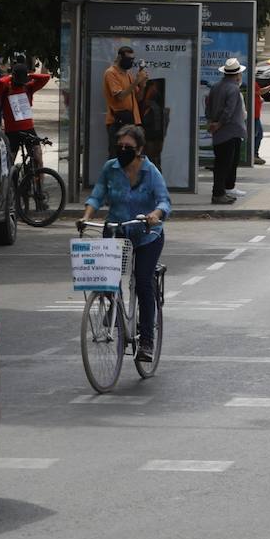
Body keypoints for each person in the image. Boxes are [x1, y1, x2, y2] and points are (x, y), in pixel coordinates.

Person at [82, 125, 171, 362]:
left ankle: (147, 341)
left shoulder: (151, 172)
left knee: (143, 281)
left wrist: (154, 215)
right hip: (117, 230)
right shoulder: (110, 169)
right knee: (108, 278)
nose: (122, 151)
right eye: (119, 146)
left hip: (146, 234)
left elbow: (164, 202)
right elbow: (97, 195)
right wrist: (87, 216)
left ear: (140, 150)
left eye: (128, 148)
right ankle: (114, 310)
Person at [206, 58, 247, 204]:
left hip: (219, 132)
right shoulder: (234, 89)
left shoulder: (216, 86)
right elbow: (228, 111)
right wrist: (219, 123)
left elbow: (208, 106)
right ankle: (218, 193)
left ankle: (221, 192)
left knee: (220, 163)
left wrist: (211, 122)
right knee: (225, 164)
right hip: (230, 131)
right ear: (237, 75)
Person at [0, 62, 52, 166]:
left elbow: (46, 77)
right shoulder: (6, 88)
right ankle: (11, 180)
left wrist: (29, 75)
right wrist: (11, 77)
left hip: (28, 128)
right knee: (9, 161)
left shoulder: (28, 87)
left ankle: (38, 180)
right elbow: (0, 82)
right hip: (12, 130)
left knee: (37, 155)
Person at [103, 46, 147, 151]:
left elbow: (138, 98)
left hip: (132, 120)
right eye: (128, 59)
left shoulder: (128, 75)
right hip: (117, 121)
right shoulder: (111, 73)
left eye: (132, 59)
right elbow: (120, 96)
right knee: (117, 153)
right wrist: (136, 81)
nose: (130, 62)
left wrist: (142, 85)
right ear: (119, 57)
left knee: (132, 152)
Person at [252, 78, 267, 165]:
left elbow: (257, 93)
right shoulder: (252, 82)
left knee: (258, 134)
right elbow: (260, 92)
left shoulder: (253, 82)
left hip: (256, 114)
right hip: (254, 115)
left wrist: (259, 99)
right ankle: (253, 155)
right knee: (256, 135)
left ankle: (254, 154)